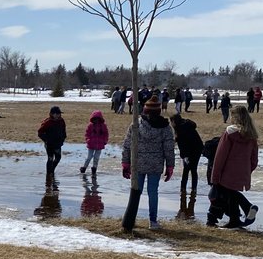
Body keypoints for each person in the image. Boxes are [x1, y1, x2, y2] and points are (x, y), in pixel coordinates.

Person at [121, 95, 175, 231]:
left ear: (145, 110)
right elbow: (169, 148)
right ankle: (153, 221)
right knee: (153, 192)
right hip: (155, 164)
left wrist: (125, 163)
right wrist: (170, 166)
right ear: (158, 111)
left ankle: (130, 219)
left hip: (138, 163)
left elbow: (127, 145)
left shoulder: (135, 125)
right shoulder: (165, 127)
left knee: (135, 192)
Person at [208, 105, 260, 229]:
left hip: (227, 170)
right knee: (231, 193)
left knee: (226, 191)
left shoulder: (230, 133)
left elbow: (220, 156)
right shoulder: (252, 135)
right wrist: (248, 169)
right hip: (243, 170)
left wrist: (215, 176)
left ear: (234, 117)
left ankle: (247, 207)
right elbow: (254, 158)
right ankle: (234, 220)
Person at [171, 112, 204, 195]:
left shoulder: (180, 129)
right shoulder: (185, 124)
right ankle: (193, 189)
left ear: (174, 121)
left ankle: (183, 189)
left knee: (187, 170)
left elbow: (183, 146)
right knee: (193, 170)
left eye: (171, 122)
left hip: (193, 150)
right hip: (198, 148)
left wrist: (185, 156)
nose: (171, 124)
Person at [37, 105, 66, 181]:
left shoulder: (61, 121)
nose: (57, 115)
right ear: (51, 114)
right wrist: (46, 140)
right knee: (50, 158)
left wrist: (63, 139)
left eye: (58, 113)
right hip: (49, 144)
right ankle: (49, 175)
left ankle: (52, 170)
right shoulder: (48, 122)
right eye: (55, 114)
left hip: (58, 143)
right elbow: (40, 132)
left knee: (58, 158)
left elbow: (64, 131)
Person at [80, 109, 108, 175]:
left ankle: (94, 169)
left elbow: (106, 134)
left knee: (96, 157)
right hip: (91, 144)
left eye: (98, 119)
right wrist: (88, 140)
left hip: (100, 144)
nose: (96, 120)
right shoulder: (90, 126)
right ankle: (84, 168)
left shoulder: (103, 126)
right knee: (89, 157)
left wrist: (105, 140)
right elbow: (87, 134)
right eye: (95, 119)